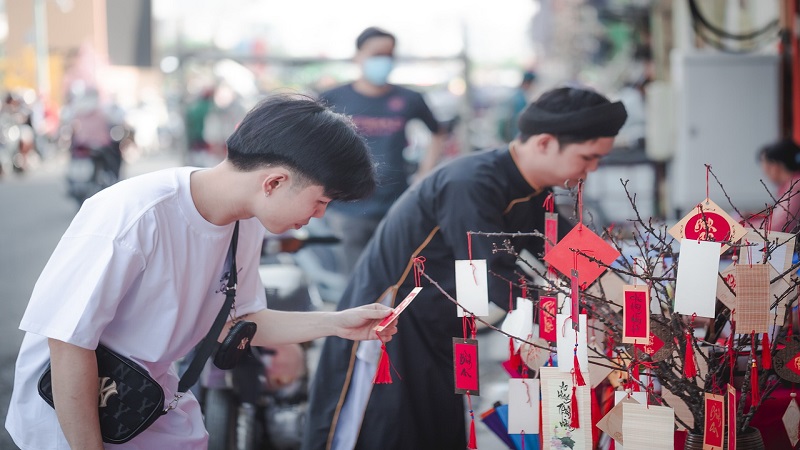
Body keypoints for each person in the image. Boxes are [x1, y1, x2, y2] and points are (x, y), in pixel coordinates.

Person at [5, 94, 398, 450]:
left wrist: (339, 323)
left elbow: (239, 321)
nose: (318, 216)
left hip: (147, 405)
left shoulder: (245, 223)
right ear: (274, 182)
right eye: (320, 201)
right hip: (72, 420)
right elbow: (69, 342)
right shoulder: (135, 213)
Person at [303, 86, 628, 450]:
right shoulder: (470, 181)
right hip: (390, 325)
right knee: (385, 432)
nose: (593, 168)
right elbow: (492, 273)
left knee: (438, 430)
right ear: (545, 142)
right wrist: (571, 319)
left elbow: (583, 261)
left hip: (441, 325)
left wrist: (631, 303)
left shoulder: (534, 192)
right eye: (588, 156)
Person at [319, 26, 447, 275]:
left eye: (389, 55)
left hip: (395, 203)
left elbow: (438, 132)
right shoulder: (332, 98)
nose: (383, 61)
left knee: (398, 278)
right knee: (355, 282)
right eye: (376, 54)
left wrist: (424, 173)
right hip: (348, 207)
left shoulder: (409, 99)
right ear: (358, 56)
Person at [758, 137, 800, 232]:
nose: (765, 172)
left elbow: (780, 227)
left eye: (768, 166)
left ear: (775, 166)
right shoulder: (792, 186)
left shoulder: (795, 188)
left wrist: (739, 226)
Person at [497, 70, 537, 143]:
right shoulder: (520, 99)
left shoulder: (516, 94)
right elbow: (518, 122)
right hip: (514, 136)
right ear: (528, 83)